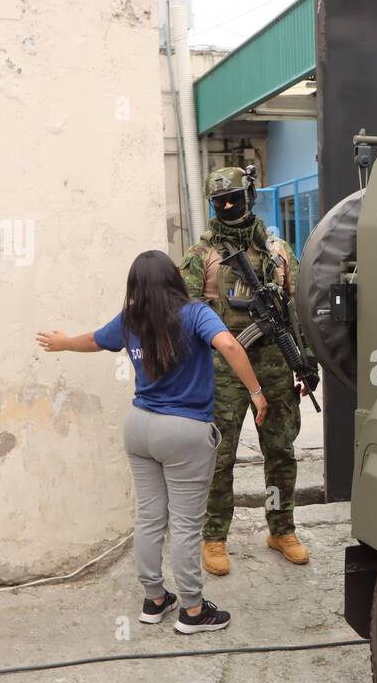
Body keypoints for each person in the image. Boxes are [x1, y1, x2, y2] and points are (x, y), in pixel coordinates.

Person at [36, 250, 267, 634]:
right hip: (184, 432)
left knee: (149, 517)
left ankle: (155, 598)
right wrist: (256, 391)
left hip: (139, 427)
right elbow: (228, 345)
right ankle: (192, 611)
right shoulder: (195, 314)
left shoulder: (131, 319)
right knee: (187, 524)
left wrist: (62, 343)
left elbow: (94, 340)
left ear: (136, 286)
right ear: (174, 278)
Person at [180, 166, 309, 577]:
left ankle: (281, 527)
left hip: (275, 364)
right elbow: (183, 316)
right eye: (221, 202)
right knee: (220, 456)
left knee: (281, 451)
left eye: (236, 198)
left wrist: (305, 363)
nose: (230, 206)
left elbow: (298, 311)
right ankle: (214, 535)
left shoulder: (278, 250)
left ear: (251, 197)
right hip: (222, 371)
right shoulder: (201, 257)